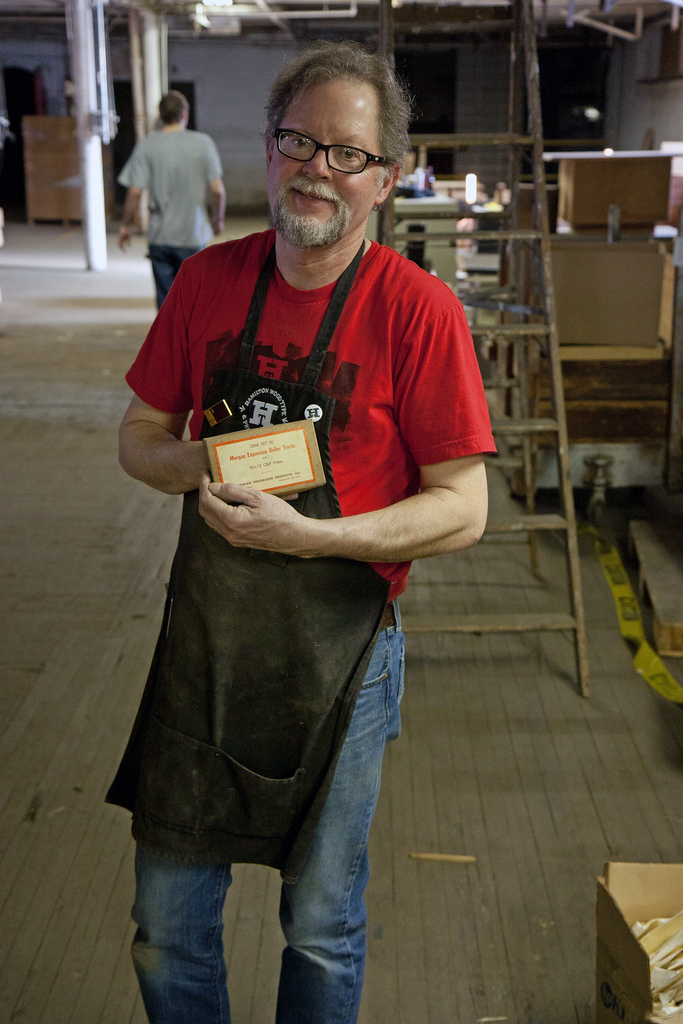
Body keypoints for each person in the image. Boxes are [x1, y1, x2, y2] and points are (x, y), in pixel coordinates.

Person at [107, 41, 495, 1024]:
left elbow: (461, 505)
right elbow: (140, 440)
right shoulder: (205, 282)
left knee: (320, 925)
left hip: (344, 652)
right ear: (268, 146)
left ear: (384, 178)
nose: (316, 166)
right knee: (166, 921)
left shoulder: (418, 312)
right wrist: (213, 459)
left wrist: (310, 539)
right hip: (205, 639)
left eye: (346, 152)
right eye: (297, 141)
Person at [117, 89, 226, 308]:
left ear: (161, 116)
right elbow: (217, 190)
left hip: (160, 237)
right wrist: (218, 218)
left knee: (166, 304)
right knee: (195, 301)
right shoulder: (203, 143)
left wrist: (126, 226)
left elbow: (135, 192)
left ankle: (168, 341)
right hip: (193, 237)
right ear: (184, 114)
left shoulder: (147, 145)